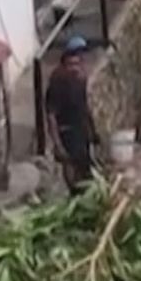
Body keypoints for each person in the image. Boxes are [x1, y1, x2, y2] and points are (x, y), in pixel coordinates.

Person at [45, 36, 98, 193]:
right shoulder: (58, 82)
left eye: (80, 60)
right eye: (72, 63)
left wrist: (92, 131)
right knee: (72, 168)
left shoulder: (80, 79)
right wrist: (58, 145)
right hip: (67, 131)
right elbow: (51, 115)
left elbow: (84, 106)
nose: (77, 66)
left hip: (80, 129)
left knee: (86, 169)